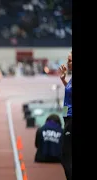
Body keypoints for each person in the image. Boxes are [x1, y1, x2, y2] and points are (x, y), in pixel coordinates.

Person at [59, 51, 72, 180]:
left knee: (65, 156)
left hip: (71, 119)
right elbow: (68, 96)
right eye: (68, 60)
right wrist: (63, 80)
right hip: (67, 118)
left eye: (70, 61)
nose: (68, 63)